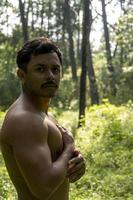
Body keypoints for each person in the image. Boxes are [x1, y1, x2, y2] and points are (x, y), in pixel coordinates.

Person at [0, 37, 85, 200]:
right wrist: (69, 148)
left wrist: (76, 163)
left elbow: (55, 165)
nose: (50, 76)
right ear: (22, 75)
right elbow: (43, 188)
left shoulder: (44, 115)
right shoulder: (23, 119)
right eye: (40, 69)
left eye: (55, 69)